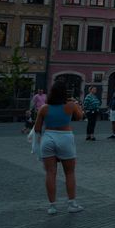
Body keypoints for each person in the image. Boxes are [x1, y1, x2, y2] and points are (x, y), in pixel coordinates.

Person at [34, 80, 85, 215]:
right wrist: (76, 104)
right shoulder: (70, 105)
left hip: (48, 138)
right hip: (65, 137)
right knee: (69, 172)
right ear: (65, 93)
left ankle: (52, 206)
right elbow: (80, 116)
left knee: (50, 173)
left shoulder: (44, 108)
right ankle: (71, 204)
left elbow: (37, 128)